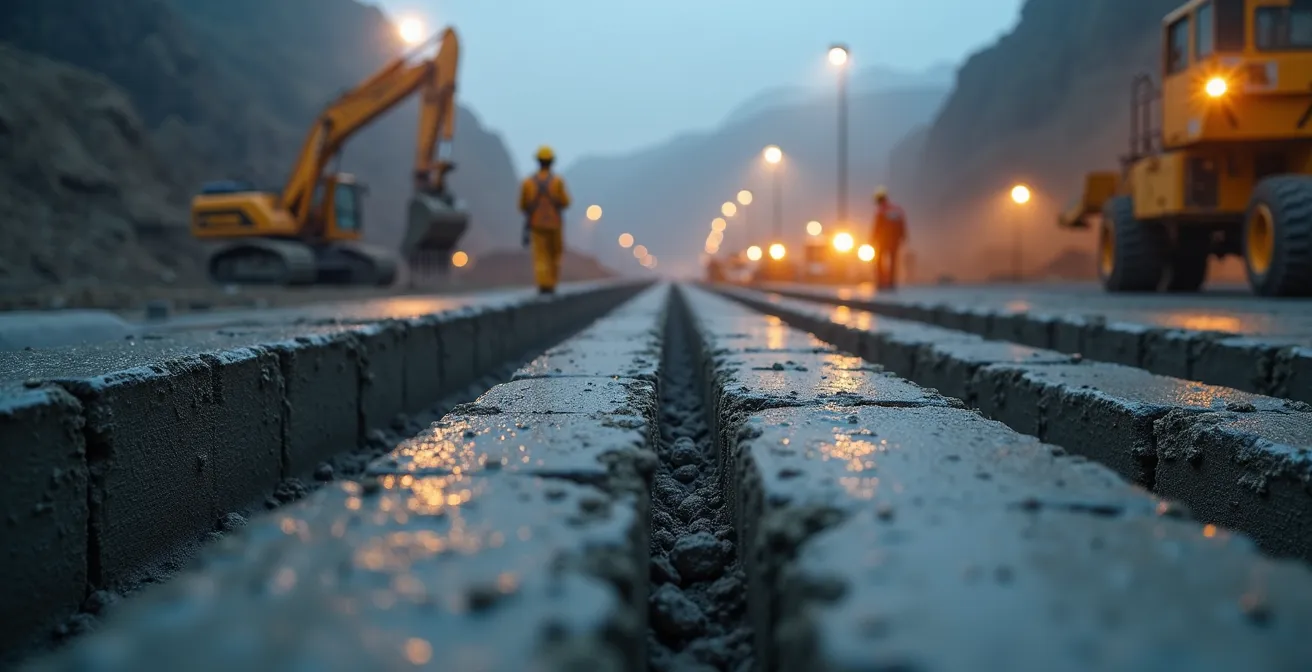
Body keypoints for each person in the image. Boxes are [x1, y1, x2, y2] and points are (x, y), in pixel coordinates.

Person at [519, 145, 572, 294]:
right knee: (554, 254)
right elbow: (566, 202)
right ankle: (552, 283)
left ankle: (544, 284)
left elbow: (522, 205)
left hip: (536, 224)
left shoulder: (528, 183)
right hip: (555, 224)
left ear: (538, 161)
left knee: (540, 255)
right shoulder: (558, 182)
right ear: (552, 162)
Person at [871, 186, 908, 289]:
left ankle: (881, 282)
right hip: (895, 240)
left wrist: (872, 239)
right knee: (893, 261)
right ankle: (891, 283)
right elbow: (902, 224)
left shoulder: (882, 210)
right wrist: (903, 236)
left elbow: (877, 226)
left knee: (879, 261)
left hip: (883, 240)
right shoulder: (897, 209)